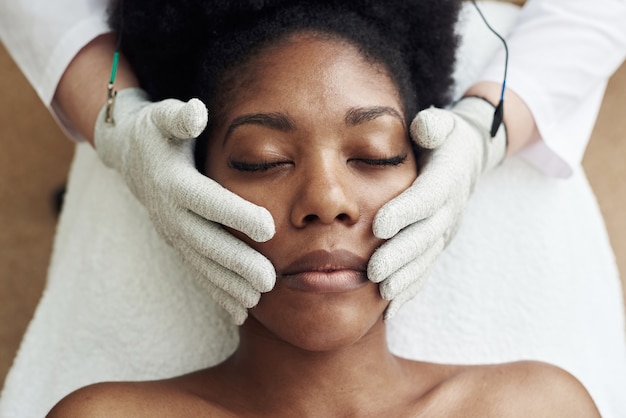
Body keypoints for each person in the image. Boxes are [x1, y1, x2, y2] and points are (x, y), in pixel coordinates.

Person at [1, 0, 625, 416]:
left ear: (431, 173)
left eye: (378, 154)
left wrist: (487, 125)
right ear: (186, 182)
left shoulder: (533, 407)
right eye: (262, 159)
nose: (326, 201)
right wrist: (114, 120)